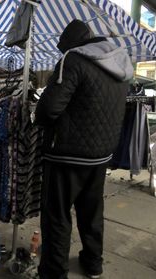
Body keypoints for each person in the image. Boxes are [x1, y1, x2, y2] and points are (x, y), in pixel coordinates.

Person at [34, 20, 133, 279]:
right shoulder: (121, 66)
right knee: (92, 213)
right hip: (100, 156)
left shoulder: (73, 60)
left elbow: (48, 109)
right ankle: (93, 264)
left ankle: (54, 273)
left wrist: (40, 118)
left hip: (66, 154)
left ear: (71, 44)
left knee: (57, 216)